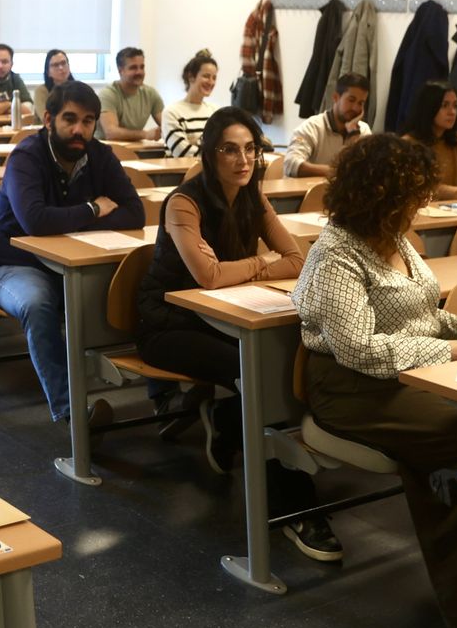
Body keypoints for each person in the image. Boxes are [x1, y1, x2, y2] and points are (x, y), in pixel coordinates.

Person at [290, 132, 457, 628]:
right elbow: (359, 350)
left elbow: (420, 309)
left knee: (455, 459)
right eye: (414, 194)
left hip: (408, 371)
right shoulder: (335, 255)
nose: (423, 204)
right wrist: (445, 351)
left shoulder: (397, 241)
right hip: (351, 389)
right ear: (381, 195)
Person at [136, 107, 340, 558]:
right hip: (169, 322)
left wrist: (241, 269)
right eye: (229, 149)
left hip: (227, 314)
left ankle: (227, 419)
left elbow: (297, 258)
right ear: (210, 154)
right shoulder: (184, 202)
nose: (242, 160)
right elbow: (206, 278)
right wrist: (259, 265)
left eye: (250, 149)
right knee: (254, 372)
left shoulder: (253, 196)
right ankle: (294, 506)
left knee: (280, 359)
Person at [0, 81, 142, 421]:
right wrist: (94, 210)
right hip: (15, 267)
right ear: (48, 119)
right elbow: (36, 222)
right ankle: (71, 411)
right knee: (37, 304)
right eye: (69, 119)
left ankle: (166, 397)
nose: (78, 129)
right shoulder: (26, 157)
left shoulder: (100, 154)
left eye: (88, 121)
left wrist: (68, 223)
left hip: (74, 266)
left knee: (140, 287)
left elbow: (134, 213)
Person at [282, 72, 371, 178]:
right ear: (336, 98)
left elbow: (370, 168)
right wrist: (337, 172)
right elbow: (291, 165)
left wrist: (354, 138)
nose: (356, 108)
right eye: (351, 100)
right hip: (311, 193)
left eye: (361, 103)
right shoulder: (312, 127)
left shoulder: (363, 130)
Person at [160, 49, 220, 158]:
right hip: (181, 173)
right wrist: (214, 156)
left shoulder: (215, 111)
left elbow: (222, 146)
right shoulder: (172, 112)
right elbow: (181, 152)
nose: (211, 82)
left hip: (211, 172)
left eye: (214, 78)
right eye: (206, 76)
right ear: (191, 77)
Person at [98, 46, 163, 142]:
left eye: (142, 67)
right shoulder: (108, 94)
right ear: (120, 71)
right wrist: (145, 134)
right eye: (133, 68)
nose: (139, 72)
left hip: (136, 148)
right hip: (107, 150)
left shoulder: (150, 94)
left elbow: (166, 124)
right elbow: (111, 133)